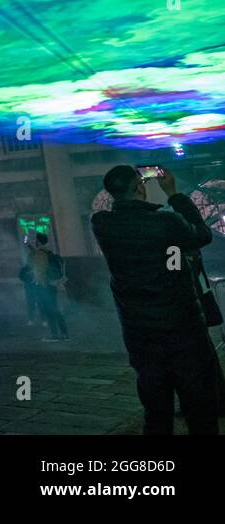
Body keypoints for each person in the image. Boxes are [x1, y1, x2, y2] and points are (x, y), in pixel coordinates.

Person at [91, 166, 218, 435]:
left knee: (156, 412)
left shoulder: (102, 224)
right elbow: (202, 234)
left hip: (140, 334)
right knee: (199, 409)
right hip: (183, 331)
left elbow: (106, 206)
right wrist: (174, 194)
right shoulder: (166, 223)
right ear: (141, 187)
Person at [28, 233, 68, 341]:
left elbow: (39, 270)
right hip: (54, 284)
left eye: (36, 240)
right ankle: (64, 333)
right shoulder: (49, 253)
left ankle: (55, 335)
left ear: (38, 242)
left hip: (45, 285)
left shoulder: (40, 254)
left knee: (49, 311)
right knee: (55, 309)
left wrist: (38, 283)